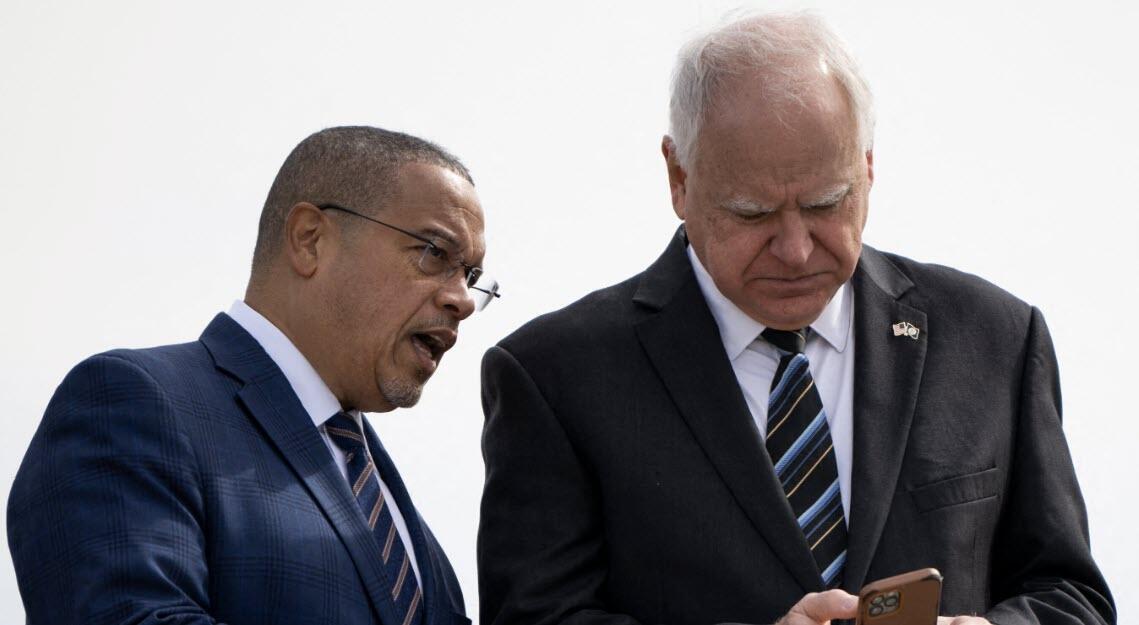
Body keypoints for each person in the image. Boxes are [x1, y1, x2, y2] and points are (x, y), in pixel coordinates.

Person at [478, 12, 1113, 625]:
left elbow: (1070, 598)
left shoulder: (995, 338)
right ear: (678, 177)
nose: (796, 249)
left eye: (825, 204)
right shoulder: (554, 379)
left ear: (868, 165)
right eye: (752, 213)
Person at [8, 126, 498, 625]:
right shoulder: (131, 404)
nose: (461, 300)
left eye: (472, 277)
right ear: (310, 240)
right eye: (434, 252)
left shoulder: (409, 533)